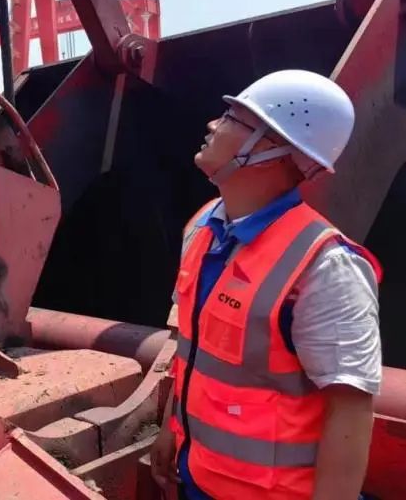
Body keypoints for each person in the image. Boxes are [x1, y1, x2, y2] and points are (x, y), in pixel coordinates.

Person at [150, 70, 382, 500]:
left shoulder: (325, 267)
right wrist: (170, 430)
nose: (212, 125)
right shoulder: (202, 228)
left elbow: (349, 409)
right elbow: (192, 351)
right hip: (197, 479)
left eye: (232, 118)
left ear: (271, 151)